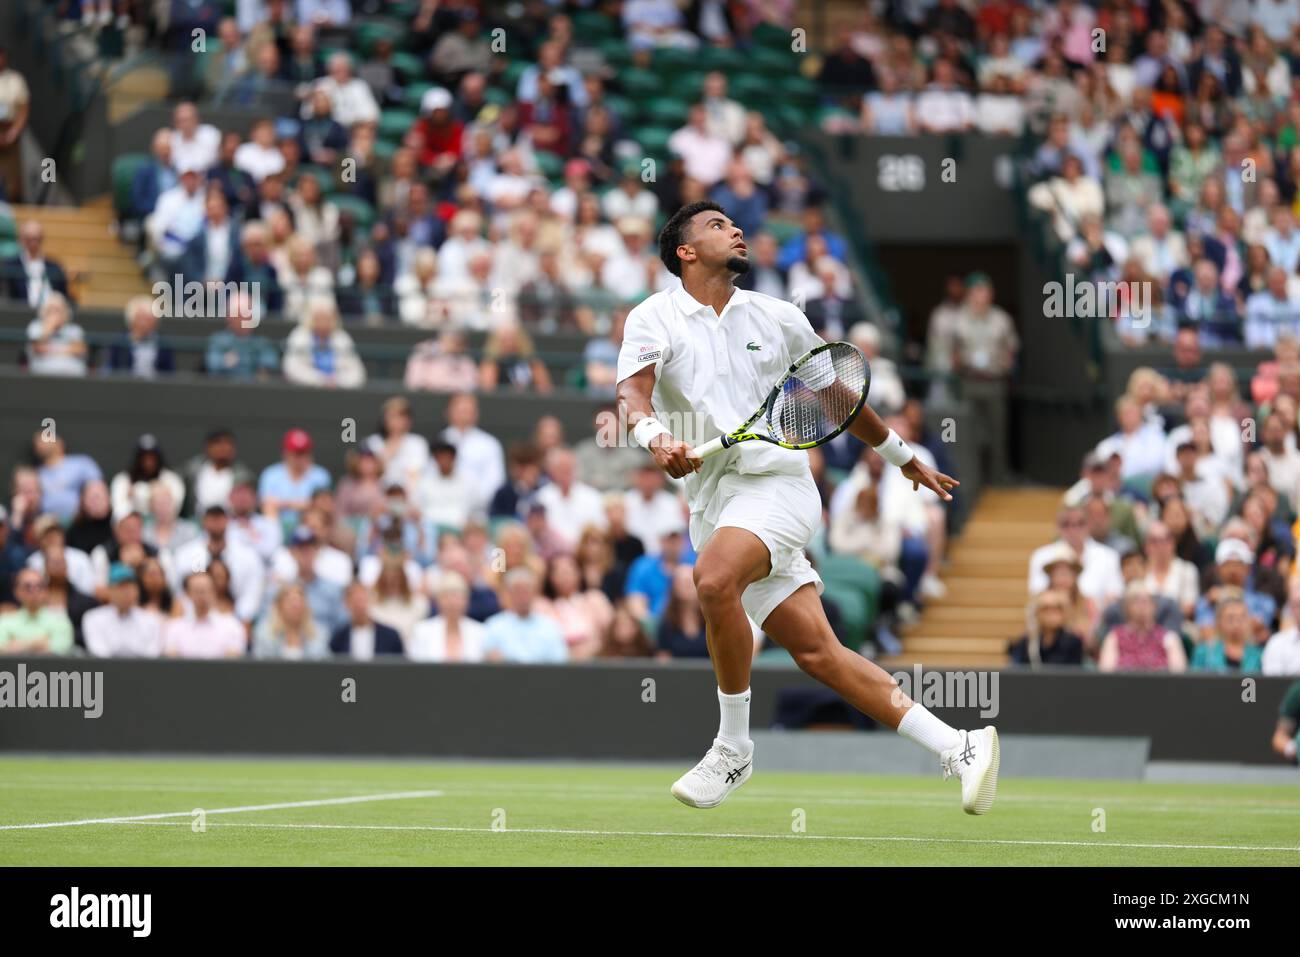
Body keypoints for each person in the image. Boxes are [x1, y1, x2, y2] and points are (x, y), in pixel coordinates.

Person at [615, 200, 990, 812]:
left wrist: (902, 455)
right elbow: (632, 394)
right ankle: (958, 745)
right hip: (713, 499)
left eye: (735, 222)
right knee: (819, 652)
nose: (736, 228)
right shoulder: (652, 318)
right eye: (716, 225)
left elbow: (837, 394)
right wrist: (655, 437)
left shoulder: (778, 315)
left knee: (712, 581)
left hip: (778, 486)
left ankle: (733, 749)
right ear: (684, 251)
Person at [483, 567, 567, 663]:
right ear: (509, 594)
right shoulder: (494, 625)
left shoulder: (549, 626)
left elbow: (559, 661)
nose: (523, 596)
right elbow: (491, 660)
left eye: (527, 590)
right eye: (518, 591)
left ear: (535, 593)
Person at [1098, 584, 1188, 673]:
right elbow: (1106, 676)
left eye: (1146, 601)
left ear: (1154, 606)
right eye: (1136, 601)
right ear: (1127, 607)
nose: (1142, 606)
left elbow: (1179, 677)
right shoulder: (1114, 638)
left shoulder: (1169, 638)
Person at [82, 563, 163, 658]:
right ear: (109, 590)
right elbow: (100, 654)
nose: (126, 592)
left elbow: (151, 656)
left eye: (130, 586)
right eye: (121, 587)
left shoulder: (150, 620)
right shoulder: (93, 618)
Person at [409, 570, 487, 662]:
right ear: (438, 601)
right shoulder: (422, 631)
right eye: (447, 597)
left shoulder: (481, 632)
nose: (452, 603)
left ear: (466, 601)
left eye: (457, 597)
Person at [0, 569, 73, 655]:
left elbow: (62, 648)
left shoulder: (60, 620)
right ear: (17, 591)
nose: (34, 591)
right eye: (28, 587)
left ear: (46, 591)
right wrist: (38, 644)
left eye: (39, 586)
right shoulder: (4, 620)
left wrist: (17, 645)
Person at [1008, 589, 1086, 667]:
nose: (1051, 613)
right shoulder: (1026, 643)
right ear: (1037, 612)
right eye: (1046, 608)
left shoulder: (1074, 643)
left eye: (1057, 608)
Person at [253, 583, 329, 660]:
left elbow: (325, 664)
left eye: (300, 601)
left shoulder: (319, 633)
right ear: (279, 606)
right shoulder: (265, 633)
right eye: (291, 601)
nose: (296, 605)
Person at [331, 581, 404, 659]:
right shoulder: (339, 637)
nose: (359, 606)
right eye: (354, 602)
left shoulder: (390, 636)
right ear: (346, 603)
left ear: (370, 600)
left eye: (362, 600)